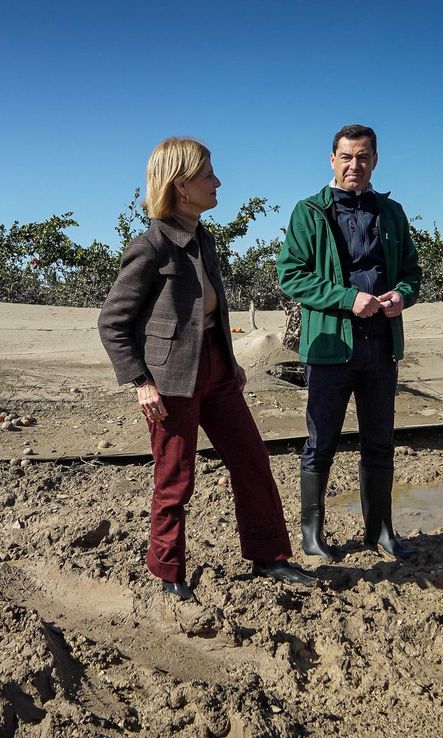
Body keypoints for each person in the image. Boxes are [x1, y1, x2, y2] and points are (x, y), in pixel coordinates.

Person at [98, 137, 314, 602]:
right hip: (170, 382)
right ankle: (169, 571)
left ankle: (270, 557)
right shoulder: (151, 246)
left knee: (252, 460)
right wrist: (141, 382)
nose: (217, 182)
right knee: (175, 477)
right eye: (208, 175)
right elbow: (113, 322)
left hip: (217, 373)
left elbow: (211, 313)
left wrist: (231, 364)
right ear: (180, 186)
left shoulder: (204, 238)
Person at [276, 125, 422, 564]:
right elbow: (292, 274)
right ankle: (311, 536)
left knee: (379, 441)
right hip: (329, 347)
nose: (354, 165)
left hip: (381, 345)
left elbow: (412, 272)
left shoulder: (392, 212)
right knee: (321, 442)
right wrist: (347, 299)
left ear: (375, 160)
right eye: (345, 157)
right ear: (331, 160)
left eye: (362, 157)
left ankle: (380, 532)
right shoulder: (309, 212)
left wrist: (401, 295)